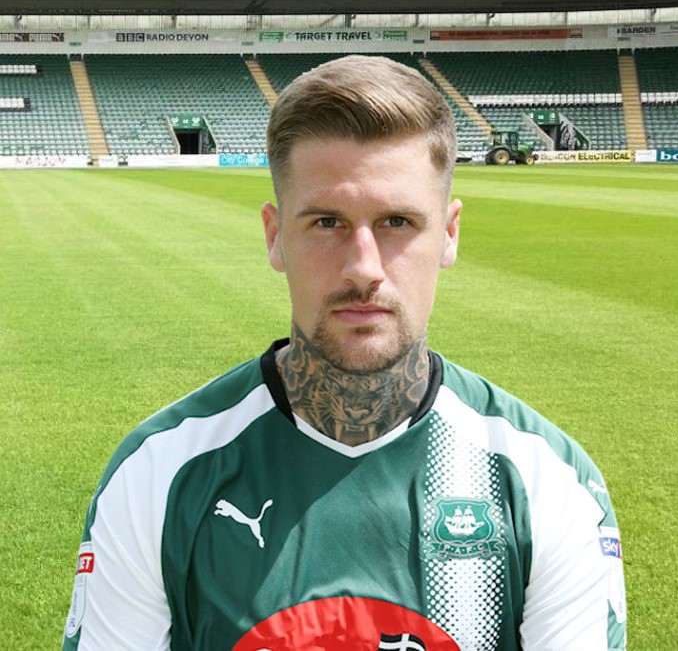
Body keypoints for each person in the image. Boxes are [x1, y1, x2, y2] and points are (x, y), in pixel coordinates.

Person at [63, 54, 626, 650]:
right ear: (275, 237)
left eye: (397, 222)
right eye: (327, 222)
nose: (363, 267)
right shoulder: (160, 473)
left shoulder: (545, 482)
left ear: (448, 234)